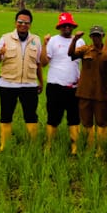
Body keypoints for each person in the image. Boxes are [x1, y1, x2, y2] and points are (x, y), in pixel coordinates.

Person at [0, 9, 43, 153]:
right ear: (15, 23)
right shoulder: (5, 38)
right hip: (8, 84)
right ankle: (4, 145)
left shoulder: (36, 40)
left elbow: (38, 63)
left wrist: (41, 82)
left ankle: (33, 146)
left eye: (26, 23)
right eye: (20, 22)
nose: (23, 25)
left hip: (29, 84)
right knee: (6, 115)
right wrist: (0, 54)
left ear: (30, 25)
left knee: (31, 115)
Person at [40, 13, 85, 154]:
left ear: (72, 26)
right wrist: (45, 44)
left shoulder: (80, 42)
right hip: (55, 86)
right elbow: (43, 63)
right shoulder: (53, 41)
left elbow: (86, 64)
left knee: (74, 118)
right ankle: (49, 145)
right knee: (53, 117)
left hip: (73, 87)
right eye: (64, 25)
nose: (66, 27)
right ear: (60, 27)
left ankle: (74, 147)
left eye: (69, 25)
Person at [69, 26, 107, 157]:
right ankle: (90, 146)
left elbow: (105, 57)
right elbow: (70, 54)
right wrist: (75, 39)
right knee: (87, 122)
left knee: (101, 122)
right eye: (94, 36)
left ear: (102, 36)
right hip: (85, 93)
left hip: (101, 93)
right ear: (90, 37)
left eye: (98, 35)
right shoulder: (85, 50)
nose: (96, 38)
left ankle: (101, 149)